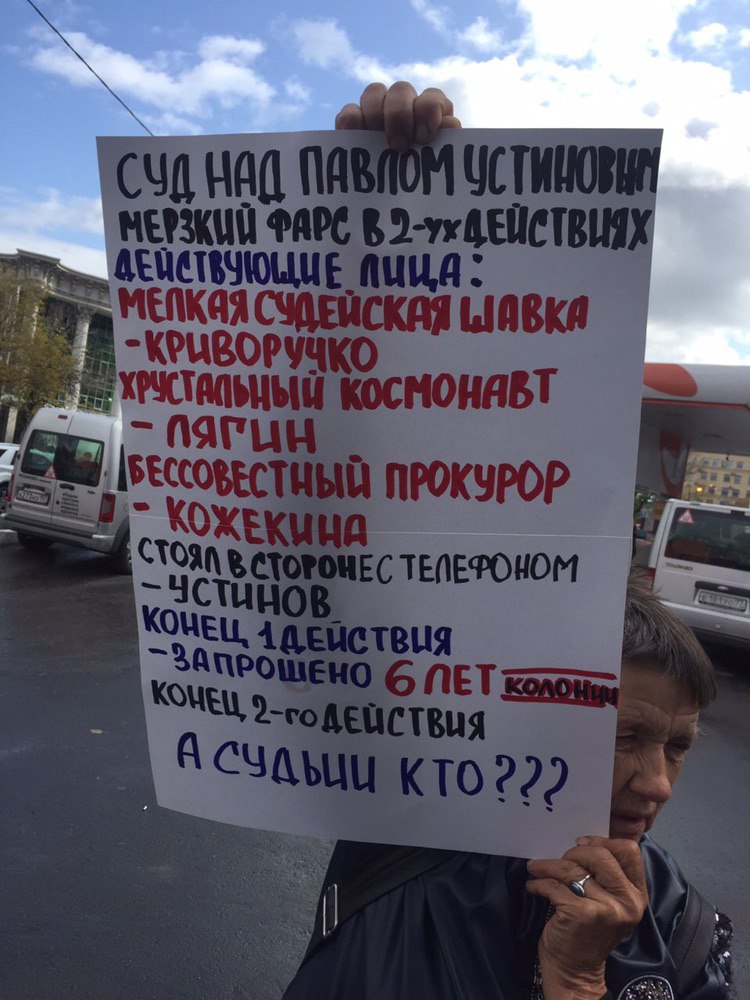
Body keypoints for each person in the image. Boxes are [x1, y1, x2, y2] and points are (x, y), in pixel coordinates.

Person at [282, 86, 734, 1000]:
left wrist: (576, 979)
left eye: (679, 746)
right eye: (627, 735)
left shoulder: (674, 927)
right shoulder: (403, 831)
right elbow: (342, 492)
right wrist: (380, 205)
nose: (657, 785)